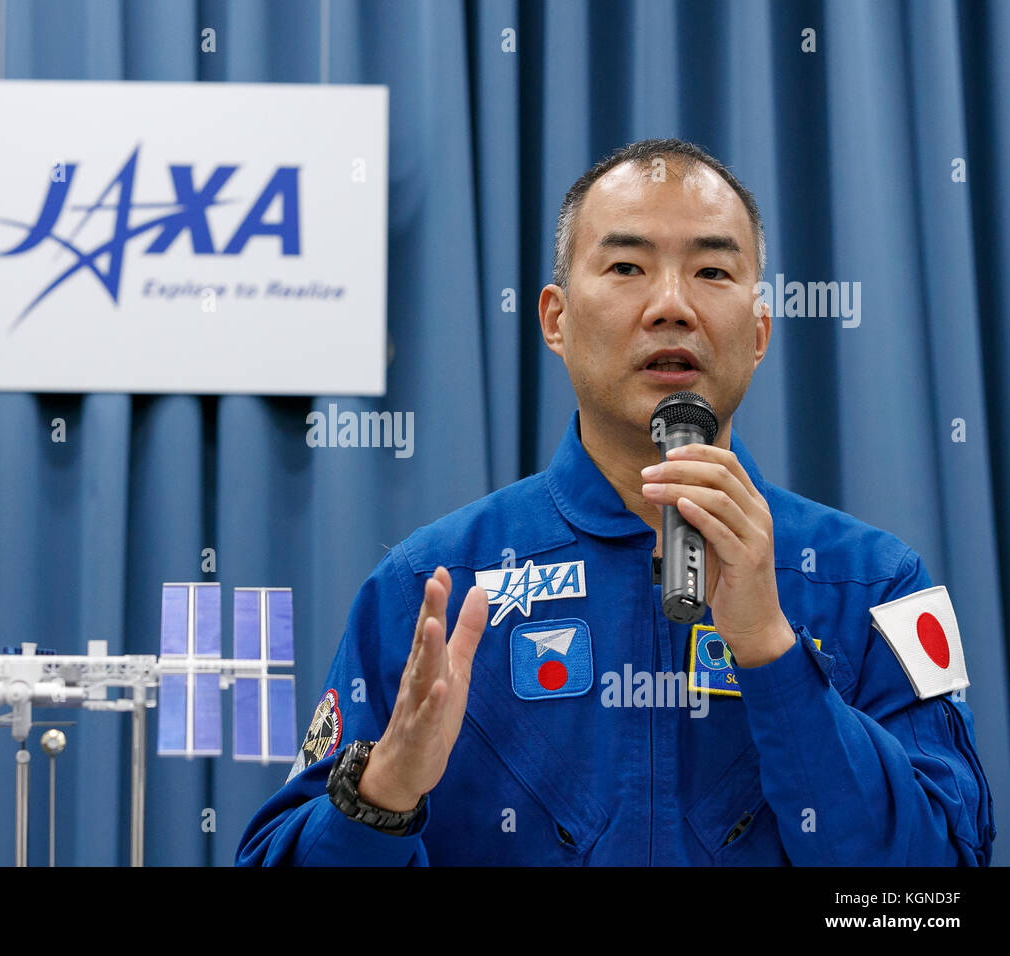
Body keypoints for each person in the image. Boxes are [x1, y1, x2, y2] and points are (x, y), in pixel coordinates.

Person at [235, 138, 996, 865]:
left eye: (713, 273)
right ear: (556, 320)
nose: (671, 306)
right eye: (628, 266)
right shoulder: (431, 587)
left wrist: (773, 652)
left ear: (759, 332)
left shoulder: (872, 584)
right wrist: (384, 794)